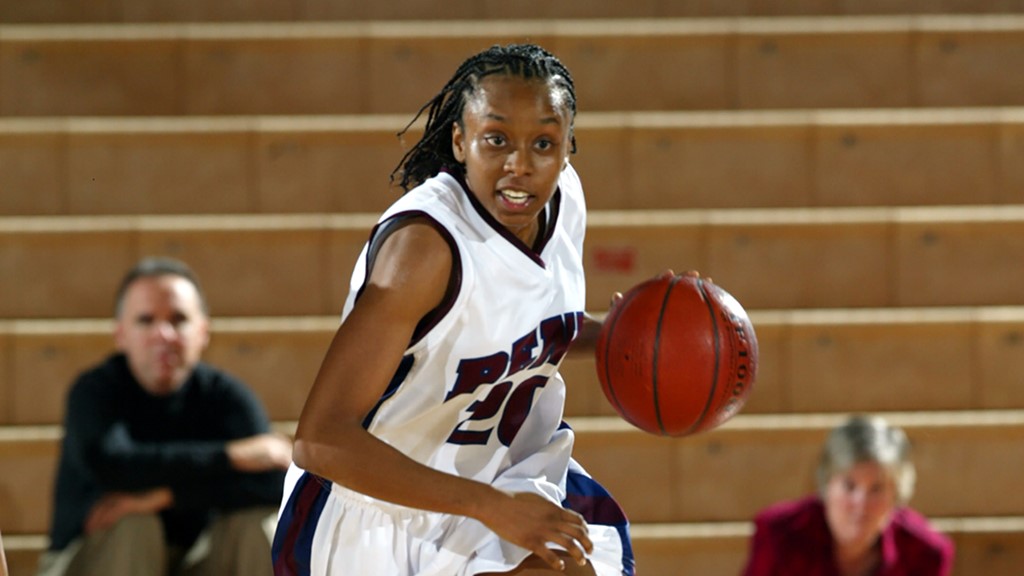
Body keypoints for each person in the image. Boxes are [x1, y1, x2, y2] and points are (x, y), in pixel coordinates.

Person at [272, 44, 634, 576]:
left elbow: (519, 328)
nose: (520, 164)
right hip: (377, 510)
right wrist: (492, 509)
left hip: (495, 476)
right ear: (460, 142)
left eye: (543, 143)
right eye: (496, 139)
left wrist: (625, 339)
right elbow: (319, 439)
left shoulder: (563, 201)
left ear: (567, 148)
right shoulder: (424, 248)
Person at [39, 257, 293, 576]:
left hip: (194, 559)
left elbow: (276, 482)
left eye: (178, 319)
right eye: (146, 320)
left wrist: (164, 496)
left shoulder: (227, 397)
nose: (164, 334)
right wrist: (230, 456)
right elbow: (114, 464)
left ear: (203, 331)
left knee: (256, 522)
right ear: (120, 334)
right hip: (94, 558)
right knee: (135, 525)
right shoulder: (94, 391)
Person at [741, 414, 954, 576]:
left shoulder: (925, 552)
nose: (860, 503)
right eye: (849, 486)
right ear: (826, 483)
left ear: (896, 494)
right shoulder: (780, 534)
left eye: (877, 489)